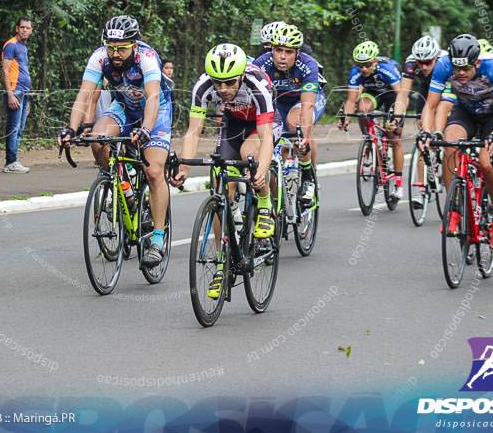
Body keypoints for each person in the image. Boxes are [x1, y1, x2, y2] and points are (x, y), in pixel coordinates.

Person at [58, 15, 172, 267]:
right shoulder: (100, 57)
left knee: (153, 171)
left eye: (121, 48)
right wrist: (70, 128)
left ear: (134, 44)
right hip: (125, 107)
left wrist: (145, 129)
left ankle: (158, 238)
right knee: (97, 140)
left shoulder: (147, 57)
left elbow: (153, 97)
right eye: (111, 47)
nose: (115, 53)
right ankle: (121, 186)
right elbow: (84, 93)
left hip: (156, 111)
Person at [171, 43, 277, 299]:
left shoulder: (257, 84)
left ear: (241, 75)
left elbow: (266, 137)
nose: (223, 89)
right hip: (232, 125)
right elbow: (194, 130)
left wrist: (261, 171)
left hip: (260, 126)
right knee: (220, 183)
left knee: (249, 157)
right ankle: (222, 262)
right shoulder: (203, 86)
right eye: (218, 83)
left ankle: (263, 203)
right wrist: (184, 165)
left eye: (229, 83)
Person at [419, 34, 493, 250]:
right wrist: (429, 133)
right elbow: (432, 106)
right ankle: (454, 209)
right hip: (466, 112)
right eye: (456, 69)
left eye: (466, 69)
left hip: (492, 116)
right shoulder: (443, 65)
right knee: (450, 145)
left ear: (477, 62)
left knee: (489, 163)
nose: (460, 73)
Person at [252, 23, 327, 204]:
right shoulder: (261, 63)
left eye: (289, 52)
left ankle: (308, 174)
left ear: (297, 53)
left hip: (303, 101)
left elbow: (308, 105)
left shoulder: (307, 65)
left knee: (296, 123)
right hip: (278, 102)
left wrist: (305, 137)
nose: (283, 56)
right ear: (272, 50)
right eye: (278, 50)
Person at [337, 40, 405, 200]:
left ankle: (398, 183)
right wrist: (346, 117)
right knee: (362, 110)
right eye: (360, 65)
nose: (363, 69)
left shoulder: (387, 70)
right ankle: (368, 137)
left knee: (395, 137)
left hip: (392, 96)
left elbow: (401, 96)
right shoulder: (356, 72)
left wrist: (397, 116)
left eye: (367, 65)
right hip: (373, 93)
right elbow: (350, 100)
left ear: (375, 61)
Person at [393, 34, 447, 209]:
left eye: (428, 62)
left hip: (446, 91)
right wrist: (397, 115)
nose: (423, 66)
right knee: (422, 139)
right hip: (425, 92)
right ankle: (421, 189)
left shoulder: (446, 62)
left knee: (443, 126)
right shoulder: (411, 64)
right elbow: (403, 93)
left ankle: (443, 159)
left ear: (436, 58)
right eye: (420, 62)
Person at [1, 17, 33, 173]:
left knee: (20, 128)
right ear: (17, 28)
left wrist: (27, 102)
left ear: (31, 30)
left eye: (27, 28)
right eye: (22, 27)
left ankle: (14, 161)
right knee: (13, 128)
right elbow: (5, 70)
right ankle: (10, 162)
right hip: (15, 91)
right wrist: (10, 94)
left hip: (24, 92)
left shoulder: (23, 47)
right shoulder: (11, 45)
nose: (24, 30)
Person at [161, 59, 177, 124]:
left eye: (171, 68)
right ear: (161, 69)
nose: (169, 70)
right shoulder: (159, 83)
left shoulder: (170, 84)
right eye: (166, 68)